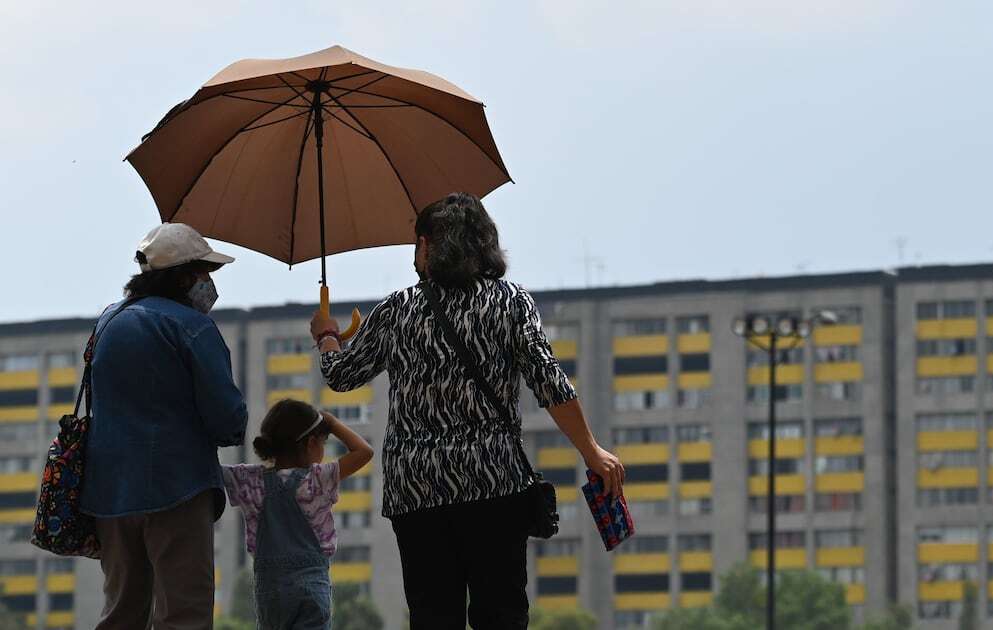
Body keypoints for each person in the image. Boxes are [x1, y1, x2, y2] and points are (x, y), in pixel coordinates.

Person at [310, 192, 625, 629]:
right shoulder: (511, 302)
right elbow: (549, 380)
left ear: (425, 246)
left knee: (433, 616)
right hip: (495, 485)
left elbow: (341, 375)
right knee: (502, 614)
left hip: (417, 491)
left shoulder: (398, 309)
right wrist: (591, 450)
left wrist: (326, 336)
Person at [82, 223, 248, 630]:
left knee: (121, 614)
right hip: (177, 490)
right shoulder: (192, 327)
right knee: (183, 614)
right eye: (204, 273)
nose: (208, 283)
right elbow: (227, 420)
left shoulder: (108, 322)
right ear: (184, 276)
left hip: (110, 496)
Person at [222, 399, 374, 630]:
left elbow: (211, 469)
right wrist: (331, 421)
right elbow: (364, 451)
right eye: (323, 443)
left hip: (269, 593)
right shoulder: (317, 479)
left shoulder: (250, 481)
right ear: (312, 443)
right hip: (311, 587)